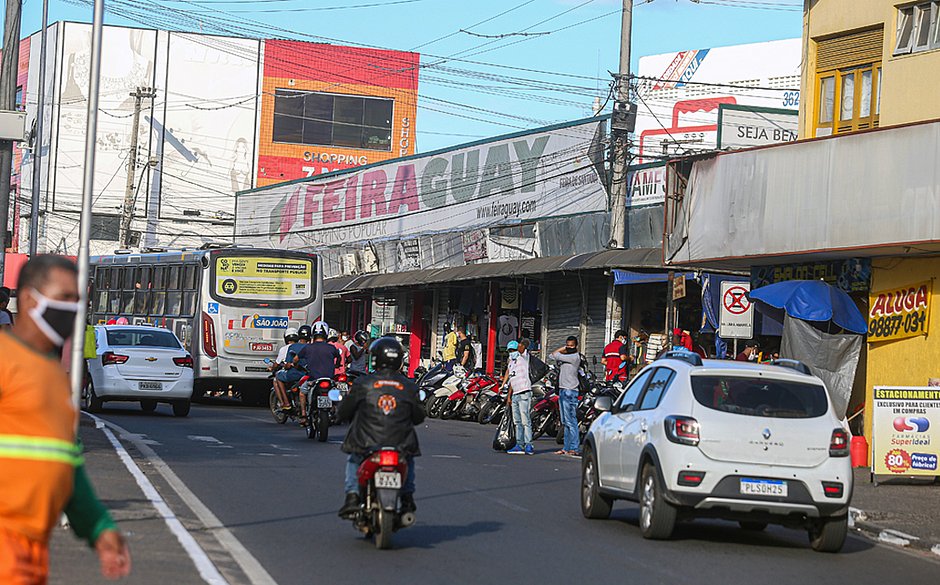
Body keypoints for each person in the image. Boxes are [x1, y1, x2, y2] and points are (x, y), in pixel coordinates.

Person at [0, 255, 131, 582]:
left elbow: (65, 463)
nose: (73, 309)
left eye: (78, 300)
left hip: (30, 551)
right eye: (64, 299)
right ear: (30, 299)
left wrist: (99, 527)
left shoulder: (55, 378)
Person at [337, 336, 425, 518]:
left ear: (375, 359)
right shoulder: (409, 386)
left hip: (366, 442)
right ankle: (407, 497)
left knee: (354, 459)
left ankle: (352, 496)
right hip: (401, 443)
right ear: (400, 361)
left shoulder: (363, 383)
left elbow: (344, 411)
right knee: (408, 460)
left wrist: (343, 415)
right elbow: (418, 417)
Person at [296, 321, 341, 422]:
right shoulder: (331, 348)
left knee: (302, 392)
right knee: (336, 392)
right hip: (329, 380)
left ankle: (303, 415)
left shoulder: (307, 347)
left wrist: (295, 365)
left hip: (313, 380)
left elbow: (295, 359)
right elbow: (338, 358)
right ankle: (335, 410)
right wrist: (336, 365)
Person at [551, 336, 583, 456]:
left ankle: (574, 448)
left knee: (571, 421)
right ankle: (566, 447)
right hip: (563, 390)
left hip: (570, 391)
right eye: (567, 345)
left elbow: (554, 355)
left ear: (576, 346)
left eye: (571, 345)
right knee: (565, 421)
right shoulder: (567, 356)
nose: (569, 347)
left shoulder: (574, 357)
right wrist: (565, 348)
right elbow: (551, 356)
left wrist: (564, 349)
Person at [502, 339, 534, 455]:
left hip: (524, 392)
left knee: (526, 421)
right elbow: (511, 378)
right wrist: (508, 395)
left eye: (513, 350)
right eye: (510, 350)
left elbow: (525, 345)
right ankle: (519, 444)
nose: (511, 352)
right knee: (517, 422)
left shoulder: (523, 358)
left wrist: (520, 346)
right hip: (515, 394)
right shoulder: (511, 362)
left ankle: (529, 444)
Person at [275, 325, 310, 416]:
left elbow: (287, 365)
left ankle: (286, 403)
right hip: (309, 375)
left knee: (278, 376)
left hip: (294, 375)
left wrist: (288, 365)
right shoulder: (312, 347)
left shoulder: (292, 347)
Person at [269, 327, 299, 411]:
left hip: (291, 373)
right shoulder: (301, 347)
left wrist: (272, 368)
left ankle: (285, 402)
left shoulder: (284, 349)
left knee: (277, 379)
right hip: (303, 373)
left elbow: (277, 363)